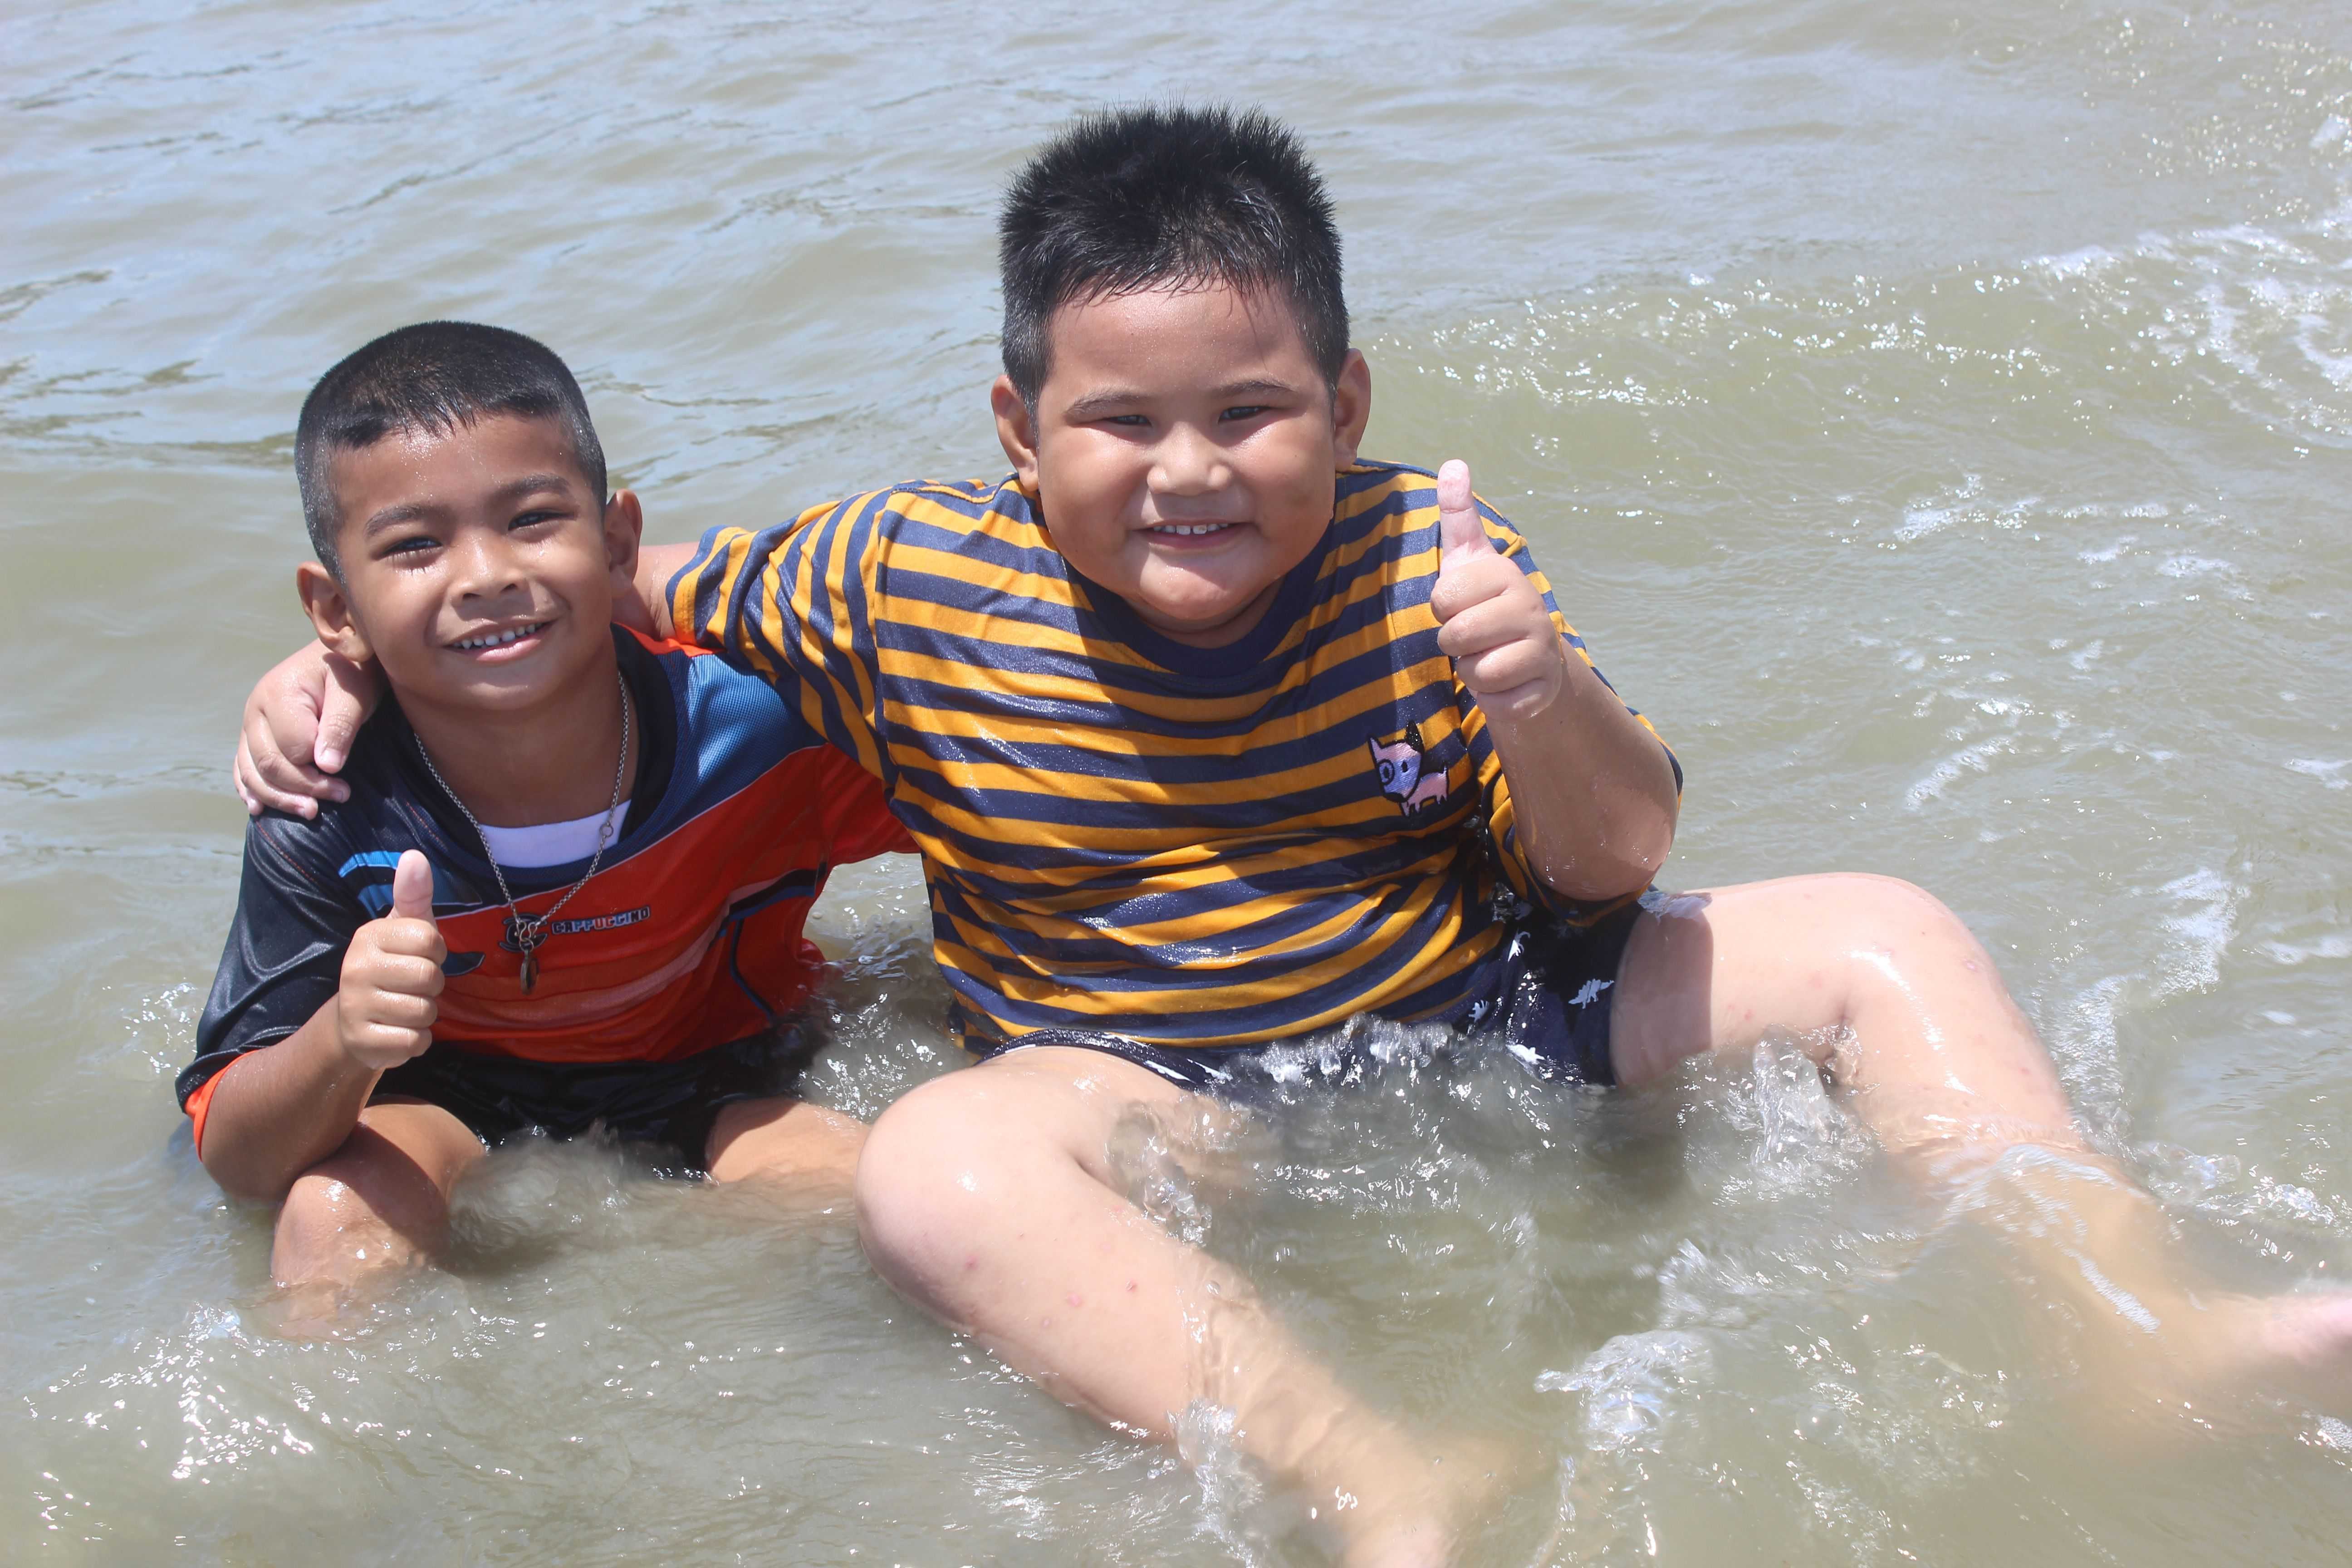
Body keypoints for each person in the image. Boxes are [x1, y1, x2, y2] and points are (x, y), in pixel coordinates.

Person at [233, 112, 2352, 1563]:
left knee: (1878, 922)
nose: (1189, 471)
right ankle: (1376, 1471)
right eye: (1119, 422)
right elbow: (585, 594)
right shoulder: (889, 576)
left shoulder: (1433, 558)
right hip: (1140, 1077)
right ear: (1017, 432)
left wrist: (1537, 686)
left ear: (1343, 403)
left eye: (1249, 411)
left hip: (1480, 1003)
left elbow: (1613, 864)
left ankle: (2130, 1320)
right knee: (941, 1163)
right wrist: (328, 672)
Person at [187, 322, 909, 1329]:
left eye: (532, 520)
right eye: (415, 546)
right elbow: (240, 1161)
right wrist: (344, 1040)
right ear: (336, 610)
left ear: (616, 544)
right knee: (328, 1214)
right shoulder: (328, 803)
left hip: (727, 1075)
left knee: (880, 1191)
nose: (484, 574)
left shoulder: (760, 725)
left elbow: (997, 807)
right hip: (446, 1103)